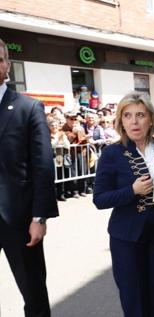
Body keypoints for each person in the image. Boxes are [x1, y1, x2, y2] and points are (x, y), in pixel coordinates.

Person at [93, 92, 154, 317]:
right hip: (127, 237)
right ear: (120, 121)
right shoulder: (111, 153)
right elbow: (99, 199)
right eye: (127, 115)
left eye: (140, 115)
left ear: (150, 120)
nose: (134, 121)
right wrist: (131, 191)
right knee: (134, 299)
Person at [0, 38, 59, 317]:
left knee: (33, 292)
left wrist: (40, 217)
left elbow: (43, 166)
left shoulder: (28, 108)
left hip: (21, 220)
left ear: (7, 66)